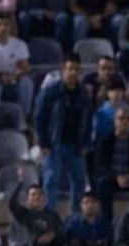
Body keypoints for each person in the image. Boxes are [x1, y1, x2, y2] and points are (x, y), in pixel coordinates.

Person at [34, 56, 92, 214]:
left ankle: (76, 216)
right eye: (69, 69)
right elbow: (39, 118)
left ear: (80, 72)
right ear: (62, 71)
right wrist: (43, 142)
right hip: (54, 144)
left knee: (79, 181)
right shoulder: (49, 93)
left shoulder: (84, 95)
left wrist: (86, 143)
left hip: (76, 146)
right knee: (51, 180)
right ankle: (50, 216)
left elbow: (88, 121)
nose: (73, 73)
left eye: (76, 69)